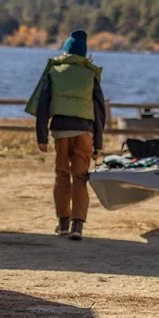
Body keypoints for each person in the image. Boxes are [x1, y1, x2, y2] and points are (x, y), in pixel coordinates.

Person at [27, 29, 107, 241]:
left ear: (65, 51)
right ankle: (77, 226)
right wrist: (98, 143)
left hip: (61, 132)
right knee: (80, 177)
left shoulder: (54, 72)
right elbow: (100, 111)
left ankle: (62, 223)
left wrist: (41, 137)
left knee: (62, 175)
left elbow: (42, 105)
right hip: (85, 132)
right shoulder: (91, 74)